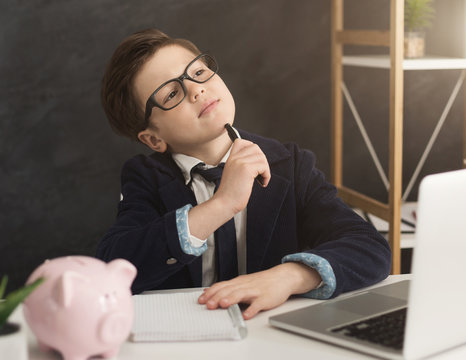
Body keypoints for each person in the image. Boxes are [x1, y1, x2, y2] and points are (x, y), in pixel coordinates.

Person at [97, 28, 391, 320]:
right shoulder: (145, 177)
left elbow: (370, 248)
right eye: (172, 93)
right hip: (187, 336)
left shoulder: (290, 164)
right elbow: (115, 265)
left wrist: (289, 277)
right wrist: (223, 203)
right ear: (153, 140)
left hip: (271, 334)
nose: (196, 89)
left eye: (198, 73)